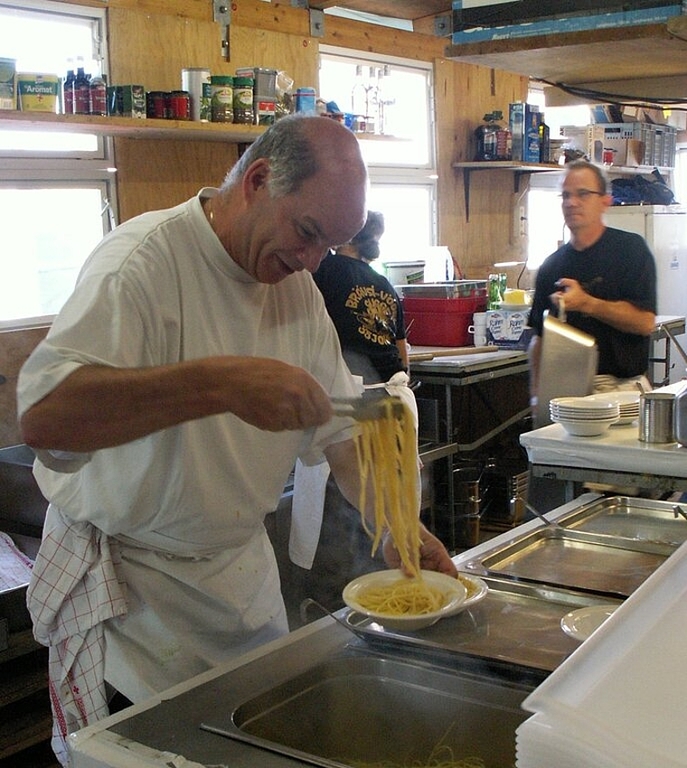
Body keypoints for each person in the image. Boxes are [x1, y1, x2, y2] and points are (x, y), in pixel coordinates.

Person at [16, 114, 455, 765]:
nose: (310, 261)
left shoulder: (297, 292)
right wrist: (216, 385)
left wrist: (389, 521)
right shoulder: (140, 267)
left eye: (328, 248)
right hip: (137, 605)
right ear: (255, 181)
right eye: (306, 233)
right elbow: (44, 418)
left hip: (239, 592)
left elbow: (340, 433)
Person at [287, 212, 415, 611]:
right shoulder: (385, 286)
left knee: (339, 519)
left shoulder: (322, 270)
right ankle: (391, 595)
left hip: (349, 405)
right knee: (387, 512)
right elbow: (403, 358)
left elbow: (304, 336)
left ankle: (337, 608)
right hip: (393, 408)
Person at [528, 159, 657, 404]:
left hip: (621, 390)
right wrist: (537, 394)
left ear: (605, 201)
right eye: (565, 195)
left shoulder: (630, 250)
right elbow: (540, 339)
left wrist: (586, 303)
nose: (571, 203)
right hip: (565, 392)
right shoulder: (550, 266)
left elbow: (644, 323)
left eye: (583, 194)